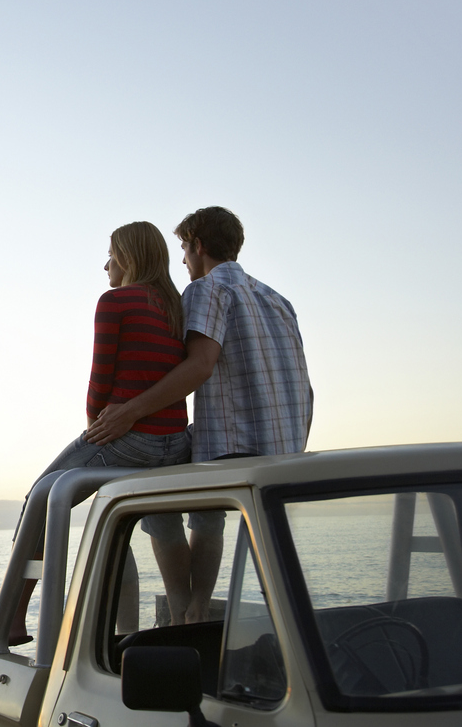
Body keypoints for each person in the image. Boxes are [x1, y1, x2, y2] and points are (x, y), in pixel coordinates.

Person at [85, 206, 313, 625]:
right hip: (287, 452)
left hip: (231, 448)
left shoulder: (206, 290)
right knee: (204, 508)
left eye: (185, 250)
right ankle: (196, 609)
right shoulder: (278, 300)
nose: (184, 261)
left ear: (198, 246)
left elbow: (200, 366)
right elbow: (306, 386)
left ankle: (186, 611)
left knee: (162, 495)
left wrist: (129, 413)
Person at [0, 221, 191, 649]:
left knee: (41, 497)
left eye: (111, 254)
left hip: (131, 437)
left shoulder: (115, 301)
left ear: (127, 257)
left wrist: (94, 430)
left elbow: (100, 381)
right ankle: (184, 622)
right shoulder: (176, 306)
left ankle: (12, 621)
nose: (106, 264)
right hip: (174, 442)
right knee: (164, 523)